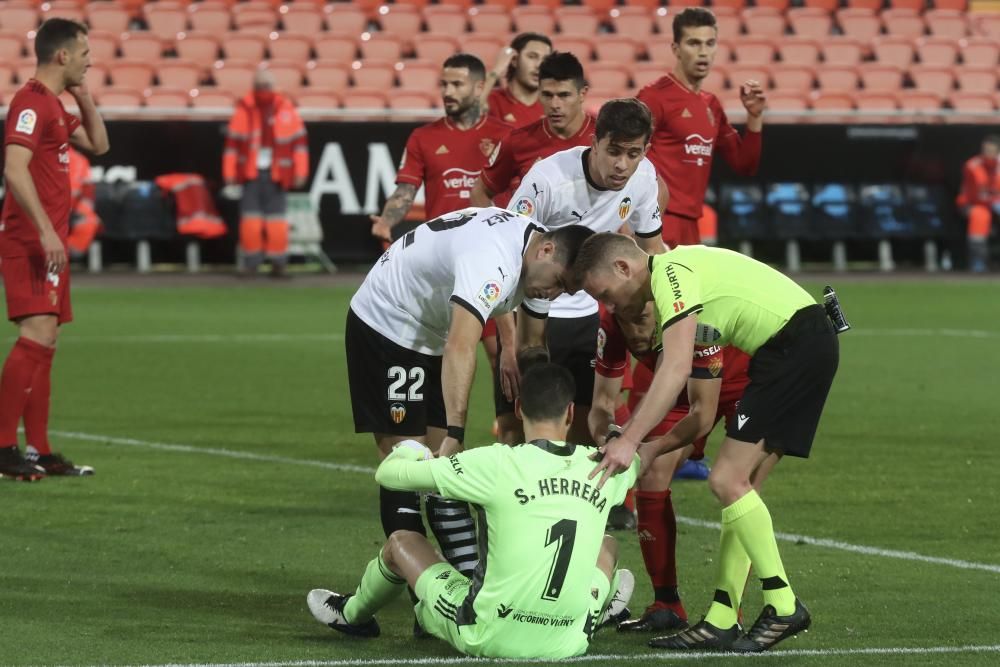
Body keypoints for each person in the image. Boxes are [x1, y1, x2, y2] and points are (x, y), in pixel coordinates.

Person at [576, 233, 840, 653]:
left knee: (726, 480)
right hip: (796, 345)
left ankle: (783, 602)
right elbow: (700, 407)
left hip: (793, 346)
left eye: (604, 293)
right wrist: (648, 448)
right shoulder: (688, 290)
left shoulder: (670, 274)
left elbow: (675, 366)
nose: (608, 305)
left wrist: (629, 439)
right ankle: (721, 616)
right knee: (739, 488)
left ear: (624, 268)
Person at [307, 363, 638, 660]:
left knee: (401, 543)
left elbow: (389, 475)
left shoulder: (495, 463)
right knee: (607, 545)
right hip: (570, 639)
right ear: (569, 413)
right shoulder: (604, 465)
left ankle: (353, 615)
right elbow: (639, 460)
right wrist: (616, 437)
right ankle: (595, 605)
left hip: (488, 634)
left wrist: (417, 452)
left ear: (520, 409)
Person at [347, 205, 592, 581]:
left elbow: (533, 346)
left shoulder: (542, 255)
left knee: (442, 476)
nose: (556, 294)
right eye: (559, 283)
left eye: (567, 290)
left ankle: (464, 585)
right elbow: (462, 346)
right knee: (408, 462)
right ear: (546, 252)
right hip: (388, 323)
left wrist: (545, 421)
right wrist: (456, 434)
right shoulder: (493, 257)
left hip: (431, 329)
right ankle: (424, 598)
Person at [495, 98, 667, 448]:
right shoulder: (547, 180)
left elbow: (652, 255)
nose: (622, 165)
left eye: (633, 154)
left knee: (590, 425)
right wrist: (509, 344)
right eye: (614, 151)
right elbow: (504, 262)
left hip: (591, 312)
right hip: (534, 308)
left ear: (645, 150)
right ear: (595, 142)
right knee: (520, 425)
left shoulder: (645, 178)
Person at [589, 302, 753, 634]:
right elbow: (603, 403)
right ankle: (666, 604)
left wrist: (644, 445)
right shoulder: (611, 322)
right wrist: (609, 438)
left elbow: (702, 414)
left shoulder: (686, 312)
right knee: (649, 473)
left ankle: (728, 611)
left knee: (737, 484)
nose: (636, 333)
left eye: (642, 319)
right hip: (681, 388)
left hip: (746, 379)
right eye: (627, 320)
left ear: (656, 306)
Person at [0, 18, 108, 481]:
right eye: (84, 53)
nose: (90, 60)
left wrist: (82, 94)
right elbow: (14, 168)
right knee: (35, 336)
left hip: (48, 240)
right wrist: (44, 231)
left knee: (46, 339)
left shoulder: (55, 107)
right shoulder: (30, 103)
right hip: (29, 240)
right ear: (62, 55)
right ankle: (4, 446)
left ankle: (37, 449)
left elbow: (99, 144)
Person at [637, 7, 765, 250]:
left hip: (692, 222)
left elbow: (744, 165)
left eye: (709, 43)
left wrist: (755, 117)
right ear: (676, 49)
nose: (703, 52)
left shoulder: (711, 105)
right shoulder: (654, 97)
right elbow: (628, 153)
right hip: (658, 218)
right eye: (694, 43)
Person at [472, 51, 594, 210]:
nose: (555, 104)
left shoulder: (604, 137)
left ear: (582, 94)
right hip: (535, 234)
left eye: (564, 95)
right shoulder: (517, 142)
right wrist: (497, 231)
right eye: (547, 95)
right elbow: (479, 192)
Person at [222, 68, 308, 278]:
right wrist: (229, 172)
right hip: (250, 174)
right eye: (259, 87)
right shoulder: (244, 108)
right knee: (250, 221)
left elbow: (299, 146)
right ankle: (252, 263)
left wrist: (301, 171)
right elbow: (232, 146)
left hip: (277, 174)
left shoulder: (286, 109)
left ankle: (278, 264)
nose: (263, 91)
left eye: (266, 87)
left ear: (273, 87)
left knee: (277, 221)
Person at [481, 32, 553, 128]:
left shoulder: (553, 106)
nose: (539, 65)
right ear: (514, 60)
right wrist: (496, 70)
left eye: (545, 60)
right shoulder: (492, 99)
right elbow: (469, 114)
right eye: (532, 56)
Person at [957, 134, 1000, 272]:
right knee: (980, 216)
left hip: (994, 201)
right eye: (986, 151)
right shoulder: (973, 166)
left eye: (992, 151)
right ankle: (978, 262)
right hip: (973, 203)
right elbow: (981, 193)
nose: (989, 154)